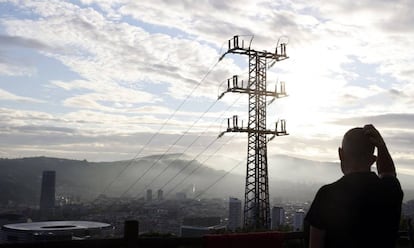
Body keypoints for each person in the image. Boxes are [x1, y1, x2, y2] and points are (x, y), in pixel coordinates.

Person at [305, 124, 403, 248]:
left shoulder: (327, 195)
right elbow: (388, 172)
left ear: (341, 154)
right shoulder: (390, 190)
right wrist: (381, 146)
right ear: (373, 159)